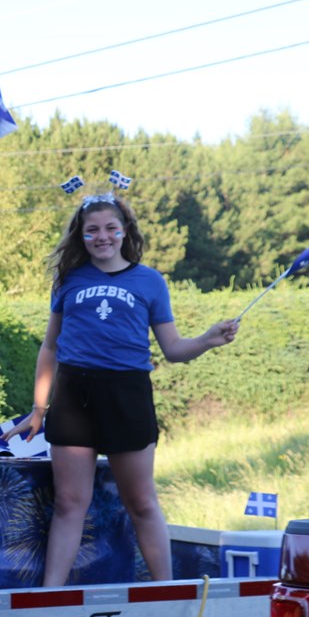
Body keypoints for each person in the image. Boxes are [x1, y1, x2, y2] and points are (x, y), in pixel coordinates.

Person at [22, 193, 238, 586]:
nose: (102, 236)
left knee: (140, 501)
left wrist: (207, 340)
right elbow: (50, 347)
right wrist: (39, 408)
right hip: (74, 395)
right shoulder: (69, 280)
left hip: (127, 394)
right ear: (81, 235)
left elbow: (173, 349)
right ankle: (50, 595)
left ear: (125, 231)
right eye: (92, 230)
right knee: (69, 502)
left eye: (110, 228)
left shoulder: (149, 281)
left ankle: (165, 591)